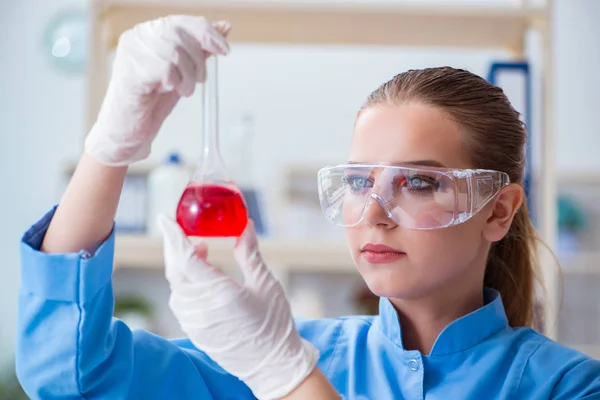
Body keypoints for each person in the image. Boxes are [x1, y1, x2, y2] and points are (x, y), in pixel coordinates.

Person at [15, 14, 600, 400]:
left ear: (498, 211)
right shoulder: (284, 349)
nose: (374, 211)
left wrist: (288, 378)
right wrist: (109, 146)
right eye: (358, 182)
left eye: (419, 183)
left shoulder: (568, 386)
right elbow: (68, 374)